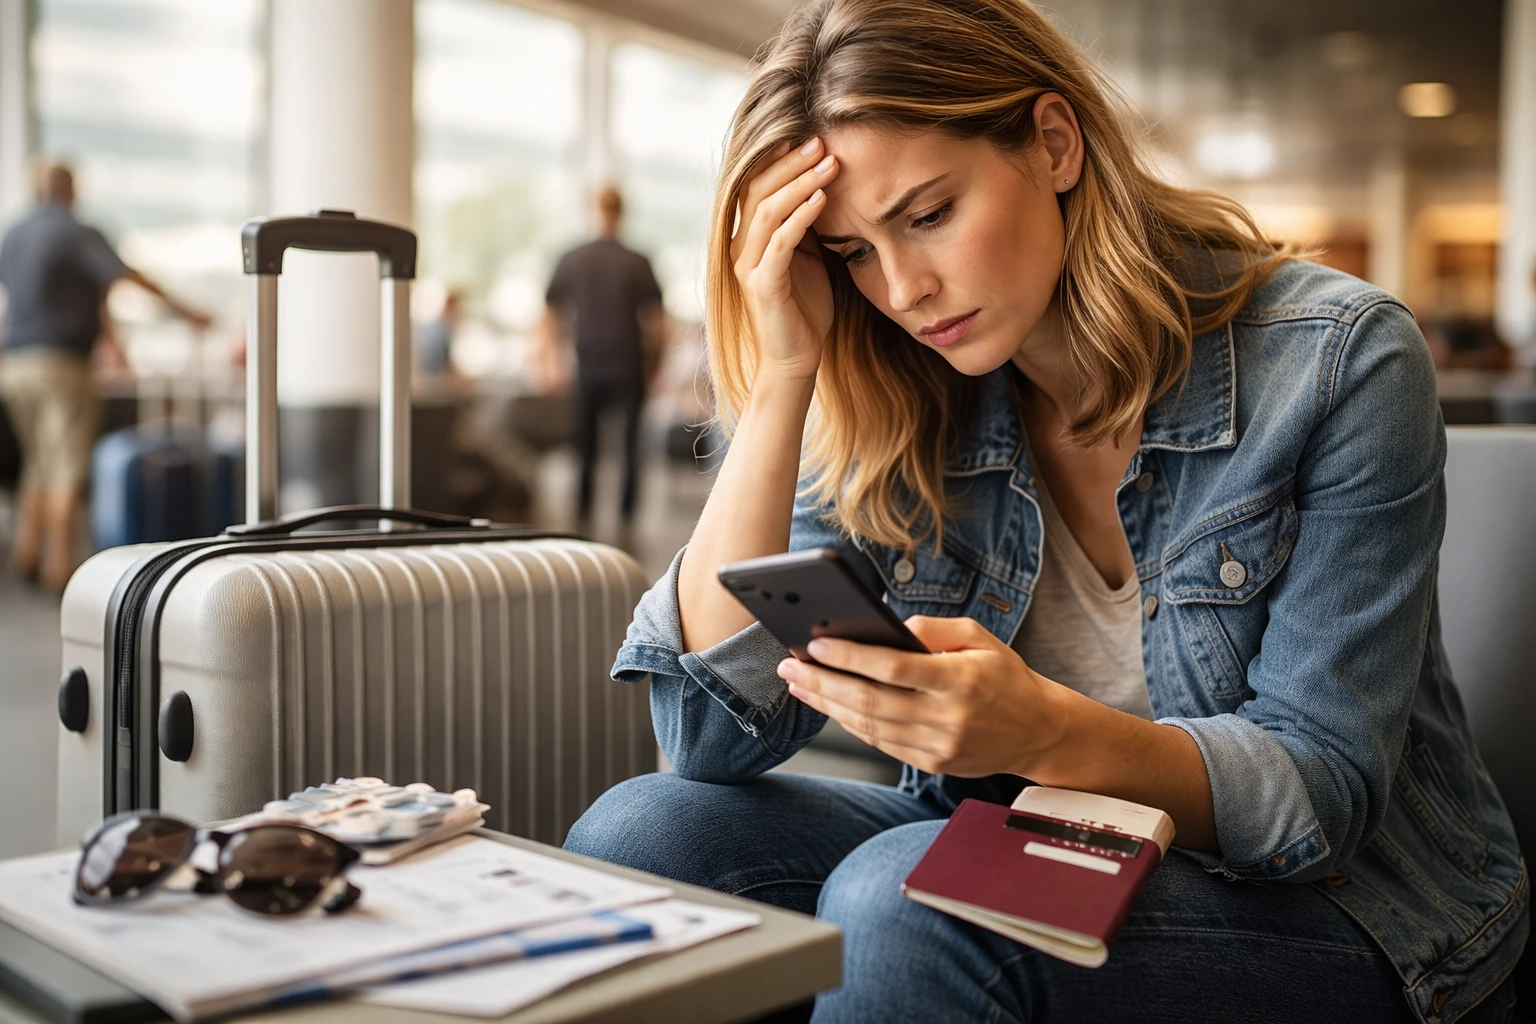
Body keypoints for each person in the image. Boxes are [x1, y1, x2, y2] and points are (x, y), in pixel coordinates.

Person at [562, 2, 1527, 1021]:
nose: (902, 289)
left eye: (929, 214)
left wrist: (1044, 730)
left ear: (1054, 144)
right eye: (850, 252)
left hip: (1341, 906)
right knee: (646, 836)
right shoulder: (905, 390)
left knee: (909, 898)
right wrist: (784, 377)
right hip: (1022, 840)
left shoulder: (1334, 361)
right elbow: (712, 741)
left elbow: (1320, 789)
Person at [0, 162, 210, 590]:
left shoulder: (13, 235)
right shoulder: (77, 231)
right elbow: (125, 276)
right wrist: (187, 311)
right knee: (67, 469)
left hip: (15, 366)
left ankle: (26, 554)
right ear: (70, 190)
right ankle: (61, 573)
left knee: (37, 464)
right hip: (62, 364)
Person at [537, 186, 666, 535]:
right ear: (622, 212)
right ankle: (626, 521)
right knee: (628, 450)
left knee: (586, 449)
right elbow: (657, 324)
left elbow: (550, 316)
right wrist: (655, 367)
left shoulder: (573, 258)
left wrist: (551, 363)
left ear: (591, 209)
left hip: (589, 365)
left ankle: (582, 520)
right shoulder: (637, 260)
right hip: (627, 366)